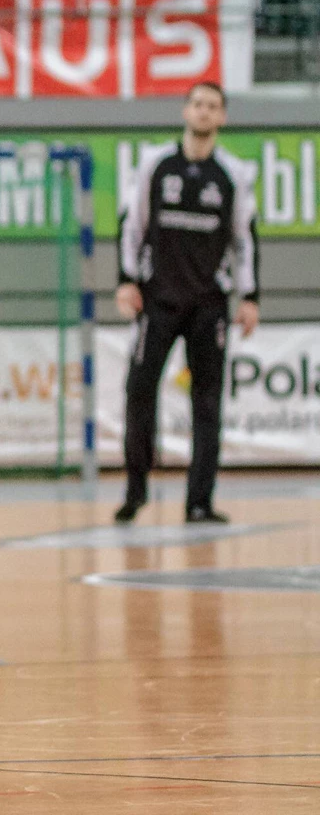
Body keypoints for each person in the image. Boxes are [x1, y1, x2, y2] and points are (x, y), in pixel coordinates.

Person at [115, 80, 259, 525]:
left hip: (208, 304)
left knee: (208, 402)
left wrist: (250, 296)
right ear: (185, 111)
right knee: (139, 389)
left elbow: (244, 238)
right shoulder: (156, 164)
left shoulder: (232, 174)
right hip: (158, 300)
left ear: (222, 117)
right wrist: (126, 280)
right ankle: (136, 490)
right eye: (197, 104)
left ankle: (199, 502)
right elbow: (132, 225)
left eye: (212, 106)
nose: (204, 111)